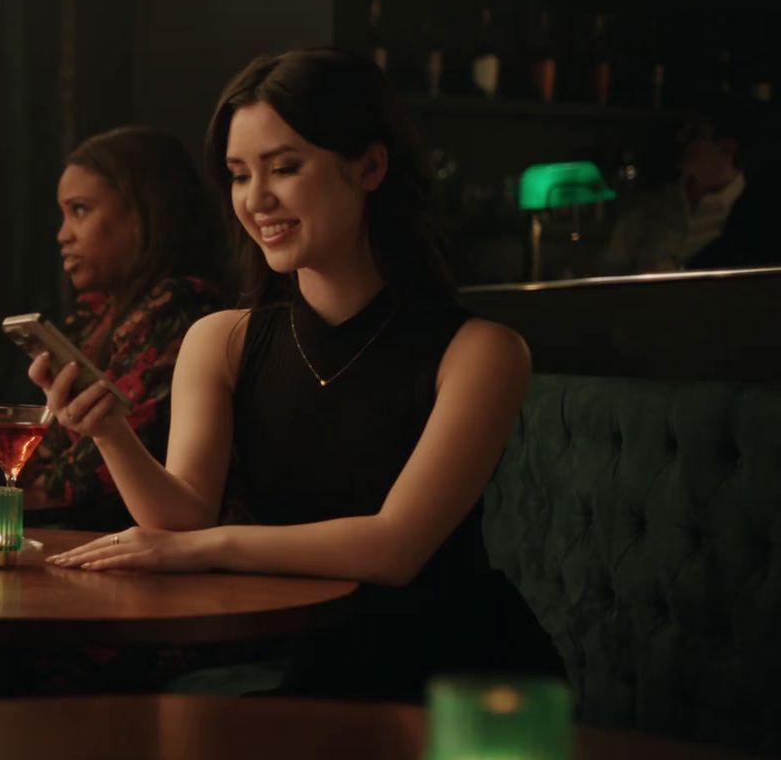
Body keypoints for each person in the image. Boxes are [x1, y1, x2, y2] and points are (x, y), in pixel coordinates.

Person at [34, 48, 559, 700]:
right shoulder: (220, 339)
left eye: (284, 168)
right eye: (237, 174)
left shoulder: (481, 352)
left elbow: (394, 549)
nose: (256, 200)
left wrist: (207, 549)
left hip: (455, 674)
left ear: (369, 166)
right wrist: (110, 431)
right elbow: (180, 520)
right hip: (303, 657)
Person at [0, 126, 239, 531]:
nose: (62, 236)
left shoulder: (182, 316)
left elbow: (78, 477)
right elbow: (48, 453)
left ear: (145, 213)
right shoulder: (106, 315)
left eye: (80, 210)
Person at [603, 98, 780, 273]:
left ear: (727, 148)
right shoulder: (650, 206)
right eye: (683, 129)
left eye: (694, 133)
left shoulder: (757, 218)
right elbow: (609, 275)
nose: (680, 139)